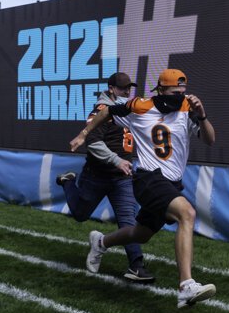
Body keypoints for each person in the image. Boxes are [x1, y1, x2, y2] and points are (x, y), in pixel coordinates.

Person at [69, 68, 218, 308]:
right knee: (187, 213)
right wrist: (84, 134)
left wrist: (201, 115)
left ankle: (101, 242)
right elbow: (106, 111)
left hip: (171, 182)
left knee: (142, 233)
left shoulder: (186, 109)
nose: (180, 96)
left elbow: (210, 139)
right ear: (161, 89)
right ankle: (186, 286)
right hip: (149, 178)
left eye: (183, 91)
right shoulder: (140, 107)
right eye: (174, 91)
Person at [56, 72, 155, 283]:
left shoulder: (129, 109)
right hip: (97, 174)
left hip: (122, 177)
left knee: (128, 219)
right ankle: (68, 181)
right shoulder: (101, 110)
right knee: (81, 214)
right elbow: (93, 142)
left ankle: (136, 265)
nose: (127, 92)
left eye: (129, 88)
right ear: (111, 89)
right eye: (122, 88)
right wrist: (116, 160)